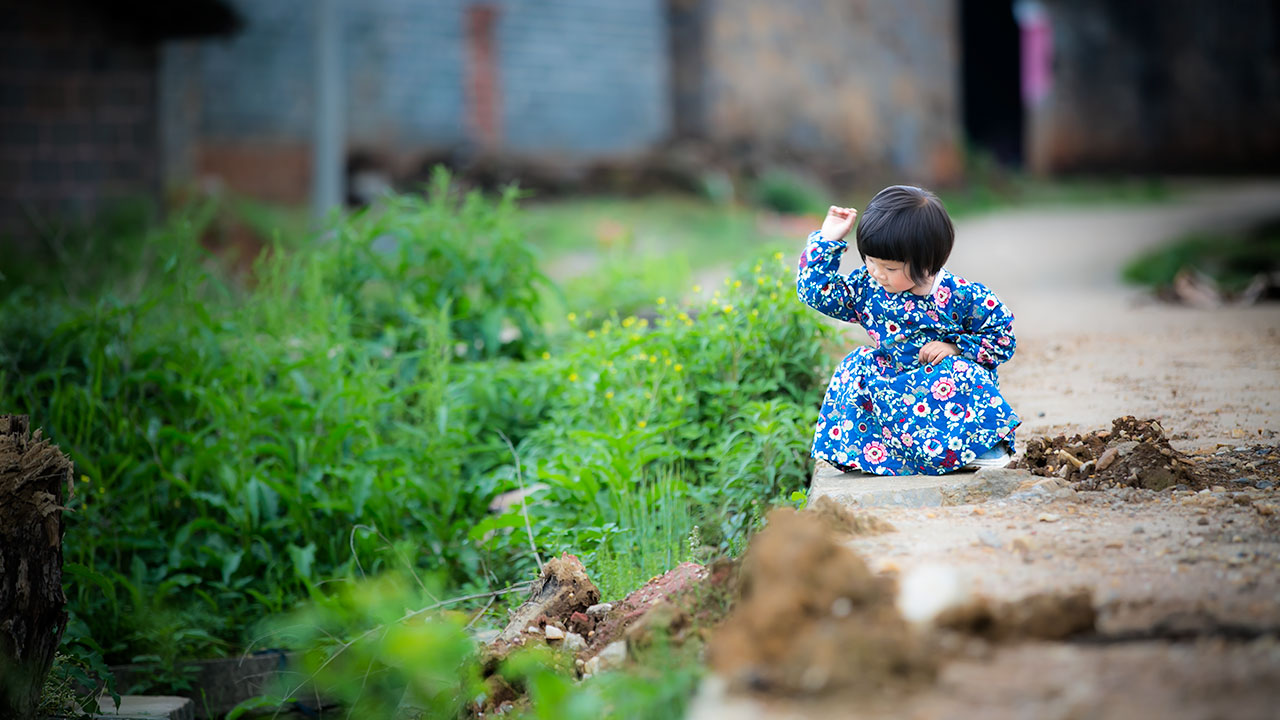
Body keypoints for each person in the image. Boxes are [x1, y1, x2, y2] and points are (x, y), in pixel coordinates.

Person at [796, 185, 1020, 476]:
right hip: (895, 388)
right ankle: (869, 453)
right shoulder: (868, 288)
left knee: (959, 370)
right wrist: (827, 239)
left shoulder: (962, 296)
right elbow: (816, 292)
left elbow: (1002, 337)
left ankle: (982, 447)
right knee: (857, 365)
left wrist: (956, 348)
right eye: (870, 261)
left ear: (926, 263)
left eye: (888, 268)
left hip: (944, 392)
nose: (876, 273)